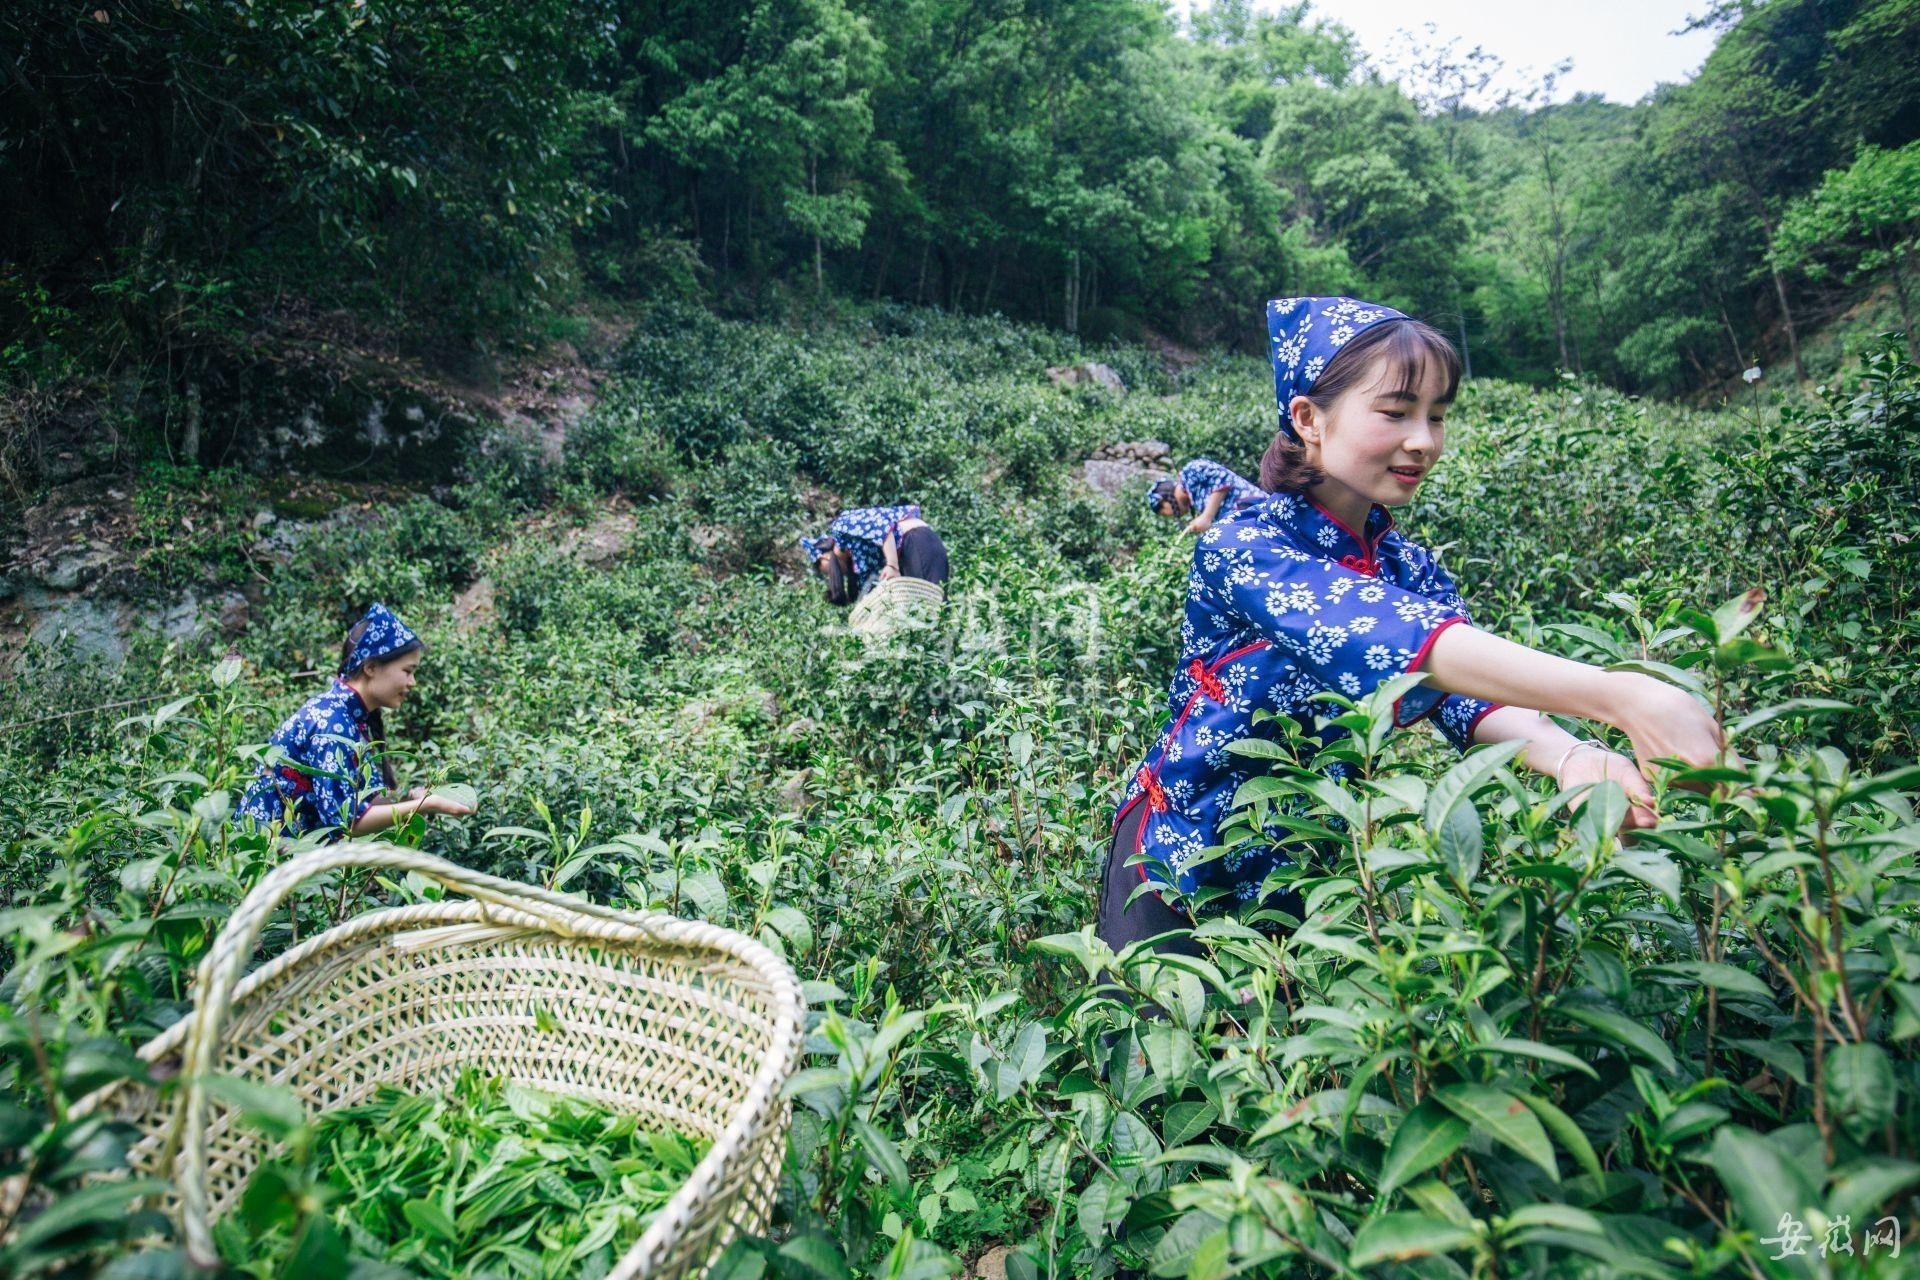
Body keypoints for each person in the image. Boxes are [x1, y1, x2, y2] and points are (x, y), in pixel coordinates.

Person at [1099, 296, 1728, 961]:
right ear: (1309, 419)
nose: (1423, 440)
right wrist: (1624, 693)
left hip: (1301, 879)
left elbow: (1466, 689)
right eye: (1396, 412)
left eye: (1437, 416)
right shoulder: (1246, 543)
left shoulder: (1406, 567)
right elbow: (1381, 631)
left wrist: (1571, 756)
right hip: (1174, 863)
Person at [234, 603, 475, 839]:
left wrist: (412, 799)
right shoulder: (330, 720)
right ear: (370, 667)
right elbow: (349, 821)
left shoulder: (349, 718)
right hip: (262, 858)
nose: (412, 682)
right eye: (407, 671)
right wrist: (423, 805)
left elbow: (363, 803)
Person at [800, 504, 950, 606]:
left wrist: (891, 565)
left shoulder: (841, 527)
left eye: (822, 569)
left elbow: (884, 528)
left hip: (916, 542)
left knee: (933, 605)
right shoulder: (858, 563)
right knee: (919, 612)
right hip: (906, 555)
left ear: (823, 557)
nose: (828, 574)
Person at [1147, 458, 1265, 536]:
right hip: (1248, 523)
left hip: (1253, 506)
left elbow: (1223, 478)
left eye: (1164, 512)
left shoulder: (1191, 470)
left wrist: (1206, 516)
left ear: (1163, 501)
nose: (1172, 515)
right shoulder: (1196, 501)